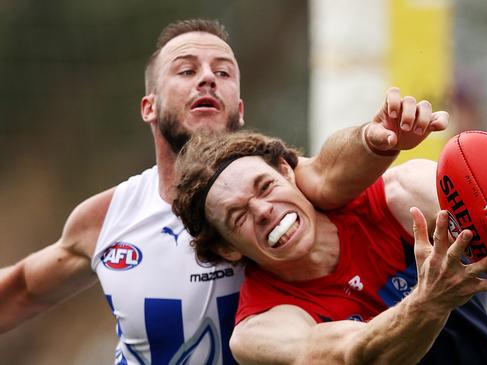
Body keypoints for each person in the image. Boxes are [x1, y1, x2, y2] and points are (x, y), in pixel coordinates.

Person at [0, 18, 449, 365]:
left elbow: (335, 169)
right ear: (148, 107)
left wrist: (374, 138)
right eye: (186, 70)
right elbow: (20, 290)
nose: (207, 78)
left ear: (239, 106)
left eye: (223, 71)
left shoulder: (287, 191)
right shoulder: (107, 219)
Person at [172, 131, 487, 364]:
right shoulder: (259, 329)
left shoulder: (400, 198)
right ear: (227, 249)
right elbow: (354, 357)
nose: (263, 211)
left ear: (287, 173)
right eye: (238, 216)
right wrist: (429, 301)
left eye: (265, 188)